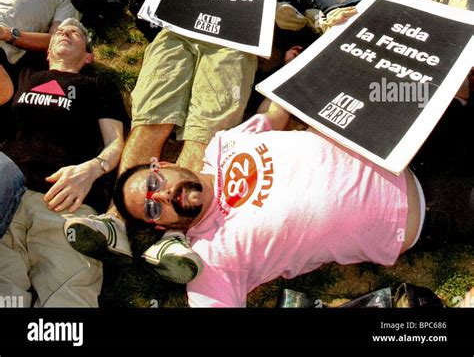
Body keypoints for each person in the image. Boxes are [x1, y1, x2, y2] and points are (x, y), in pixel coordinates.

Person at [110, 92, 474, 308]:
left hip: (402, 140)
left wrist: (293, 65)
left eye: (154, 182)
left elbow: (273, 114)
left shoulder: (224, 145)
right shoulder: (209, 257)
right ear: (162, 225)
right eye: (153, 206)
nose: (163, 195)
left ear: (169, 163)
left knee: (455, 85)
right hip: (427, 204)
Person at [64, 0, 264, 284]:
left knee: (206, 130)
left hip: (234, 36)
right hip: (176, 31)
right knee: (150, 119)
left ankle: (176, 236)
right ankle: (115, 221)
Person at [0, 18, 128, 307]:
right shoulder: (25, 74)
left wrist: (92, 168)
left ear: (88, 56)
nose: (66, 32)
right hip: (7, 195)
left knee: (69, 297)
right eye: (59, 31)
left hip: (66, 202)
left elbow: (116, 143)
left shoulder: (98, 85)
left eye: (76, 33)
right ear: (47, 51)